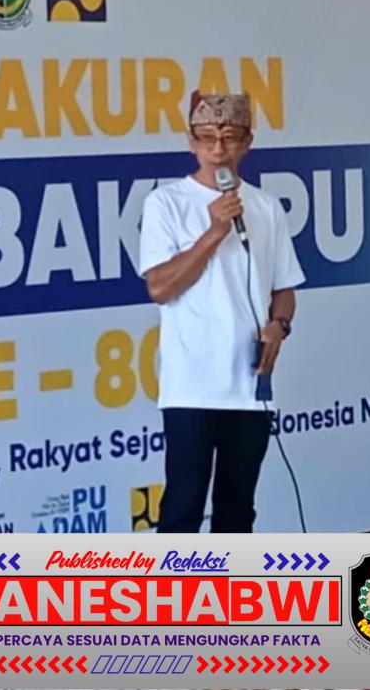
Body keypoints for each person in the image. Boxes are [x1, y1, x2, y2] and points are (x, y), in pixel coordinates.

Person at [138, 90, 305, 533]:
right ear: (190, 142)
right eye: (207, 137)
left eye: (229, 137)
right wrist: (214, 231)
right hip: (192, 385)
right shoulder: (166, 203)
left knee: (237, 508)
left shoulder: (266, 207)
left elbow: (284, 288)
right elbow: (160, 287)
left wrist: (279, 326)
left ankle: (228, 581)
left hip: (249, 384)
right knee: (183, 507)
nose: (218, 149)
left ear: (247, 143)